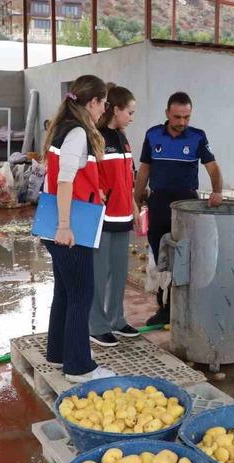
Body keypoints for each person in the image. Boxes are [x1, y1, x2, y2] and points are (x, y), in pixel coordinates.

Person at [40, 74, 115, 383]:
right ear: (93, 102)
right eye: (103, 103)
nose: (104, 109)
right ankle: (79, 367)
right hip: (69, 227)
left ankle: (59, 353)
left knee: (66, 291)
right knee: (82, 294)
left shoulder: (63, 127)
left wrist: (94, 193)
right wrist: (65, 226)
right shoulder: (77, 133)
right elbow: (64, 180)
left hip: (57, 222)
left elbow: (69, 177)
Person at [134, 92, 224, 326]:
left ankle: (186, 307)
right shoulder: (153, 135)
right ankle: (164, 308)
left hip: (187, 205)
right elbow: (144, 171)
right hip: (159, 204)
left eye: (186, 117)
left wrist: (217, 191)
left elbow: (213, 168)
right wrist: (136, 201)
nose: (182, 122)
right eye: (177, 117)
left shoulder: (197, 137)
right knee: (161, 256)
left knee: (186, 256)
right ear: (167, 113)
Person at [89, 83, 141, 347]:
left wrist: (134, 208)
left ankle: (116, 320)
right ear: (116, 109)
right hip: (102, 218)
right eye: (129, 112)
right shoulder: (96, 138)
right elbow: (89, 176)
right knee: (99, 274)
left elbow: (127, 180)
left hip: (123, 217)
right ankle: (96, 325)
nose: (131, 118)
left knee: (119, 273)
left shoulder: (123, 139)